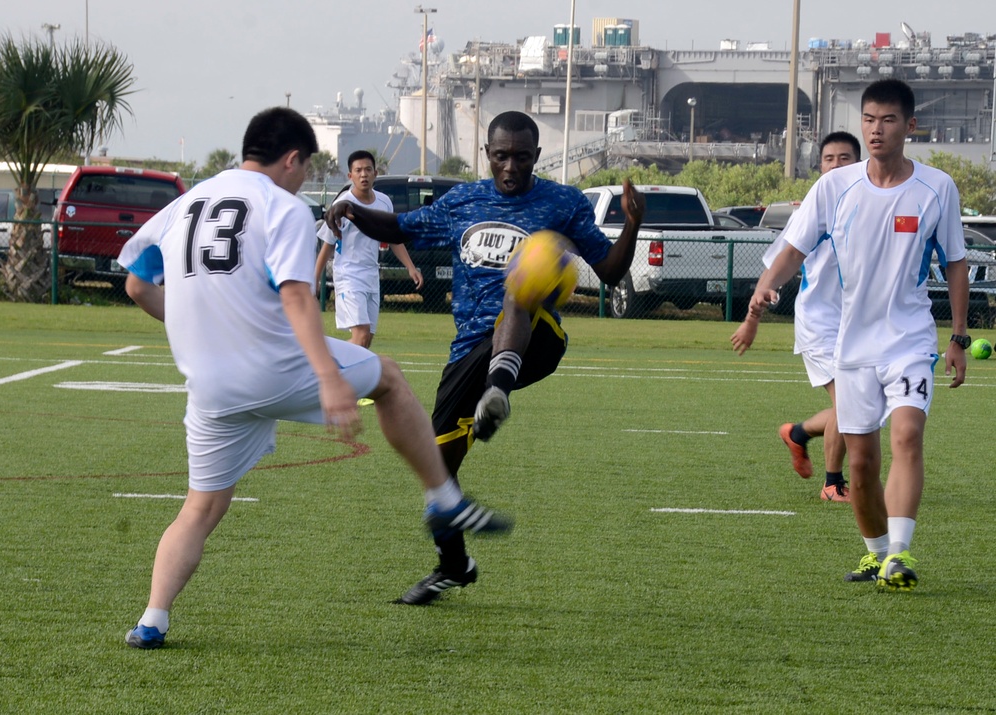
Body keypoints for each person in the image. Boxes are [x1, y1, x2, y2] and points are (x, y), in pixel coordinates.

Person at [118, 107, 512, 649]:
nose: (305, 178)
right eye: (305, 168)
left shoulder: (185, 203)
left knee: (200, 508)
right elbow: (297, 295)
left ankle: (152, 620)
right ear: (291, 158)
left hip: (210, 384)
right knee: (391, 380)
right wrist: (327, 375)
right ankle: (443, 495)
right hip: (273, 364)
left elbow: (138, 288)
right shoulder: (280, 205)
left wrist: (201, 324)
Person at [327, 110, 645, 604]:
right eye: (501, 156)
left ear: (537, 157)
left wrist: (632, 225)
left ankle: (497, 392)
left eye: (521, 156)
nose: (511, 166)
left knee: (521, 284)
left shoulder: (562, 202)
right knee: (436, 465)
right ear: (488, 156)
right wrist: (350, 210)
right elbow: (399, 227)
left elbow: (607, 270)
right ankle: (454, 566)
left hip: (536, 338)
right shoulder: (464, 201)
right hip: (468, 350)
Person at [747, 79, 968, 591]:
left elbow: (956, 262)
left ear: (910, 127)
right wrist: (764, 287)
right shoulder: (834, 186)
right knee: (863, 463)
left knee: (908, 436)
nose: (876, 129)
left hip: (911, 340)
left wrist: (957, 338)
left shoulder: (937, 188)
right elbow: (794, 249)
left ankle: (900, 554)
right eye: (869, 119)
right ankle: (874, 553)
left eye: (888, 120)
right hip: (853, 346)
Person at [731, 131, 861, 503]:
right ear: (820, 166)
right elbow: (780, 262)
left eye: (846, 158)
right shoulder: (813, 208)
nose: (837, 165)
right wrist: (752, 318)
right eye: (830, 158)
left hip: (860, 324)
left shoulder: (870, 203)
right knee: (849, 402)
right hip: (821, 322)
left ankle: (799, 433)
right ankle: (833, 484)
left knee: (865, 406)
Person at [314, 150, 423, 348]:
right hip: (348, 275)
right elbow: (328, 244)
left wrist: (411, 267)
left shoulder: (384, 202)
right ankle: (320, 361)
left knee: (365, 342)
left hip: (371, 276)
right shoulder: (341, 205)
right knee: (361, 334)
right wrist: (314, 278)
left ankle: (343, 375)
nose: (363, 174)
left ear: (375, 173)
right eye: (358, 170)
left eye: (367, 169)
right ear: (350, 176)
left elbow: (393, 238)